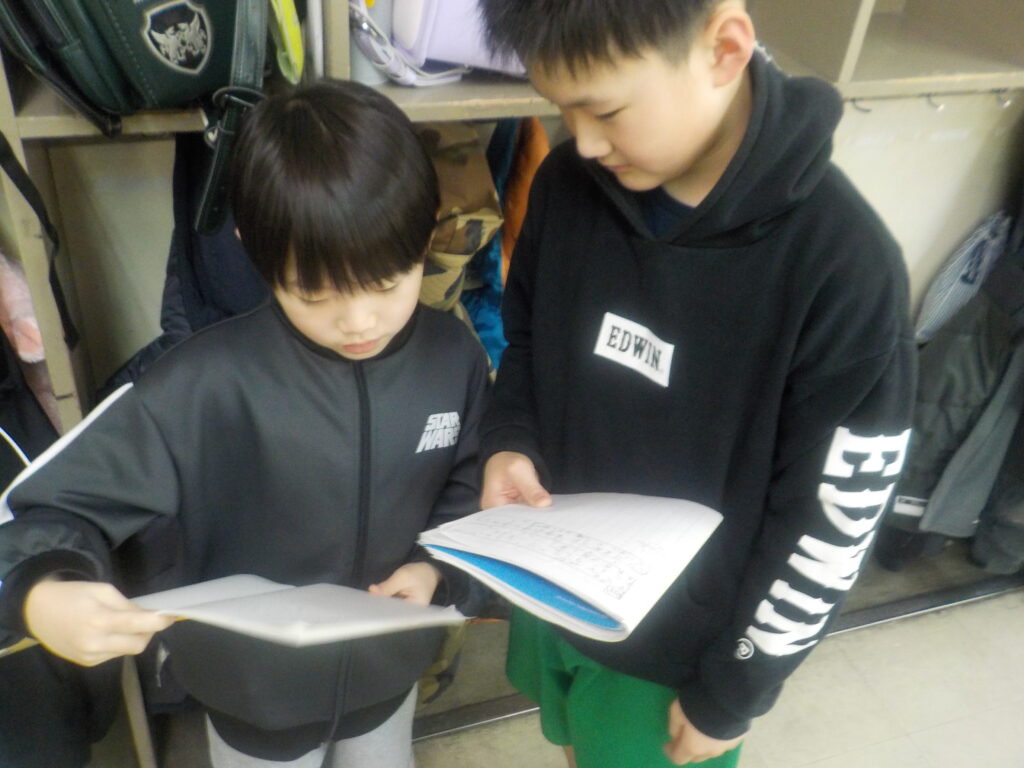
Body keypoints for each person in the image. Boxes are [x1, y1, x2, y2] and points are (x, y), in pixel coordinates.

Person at [475, 2, 916, 767]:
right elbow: (529, 338)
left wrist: (736, 691)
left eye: (607, 109)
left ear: (724, 49)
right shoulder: (568, 184)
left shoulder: (845, 267)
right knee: (572, 744)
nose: (584, 140)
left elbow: (832, 522)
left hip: (677, 652)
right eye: (561, 108)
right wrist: (512, 439)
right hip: (555, 582)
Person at [0, 79, 489, 767]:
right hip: (253, 697)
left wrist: (433, 568)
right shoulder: (202, 383)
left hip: (389, 672)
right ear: (254, 249)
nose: (358, 321)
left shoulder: (453, 358)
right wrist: (42, 591)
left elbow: (468, 486)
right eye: (314, 292)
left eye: (387, 283)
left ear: (425, 235)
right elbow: (54, 507)